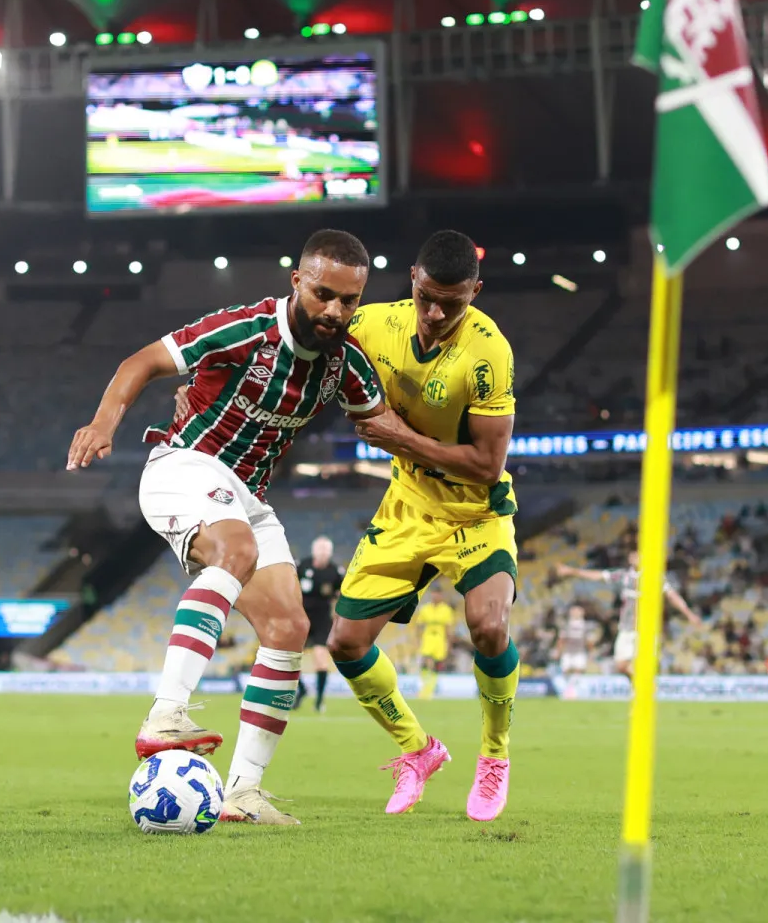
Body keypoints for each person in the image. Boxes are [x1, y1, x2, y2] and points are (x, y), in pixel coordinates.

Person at [71, 229, 389, 827]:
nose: (335, 311)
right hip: (183, 466)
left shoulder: (345, 362)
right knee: (236, 549)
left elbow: (384, 424)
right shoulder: (246, 328)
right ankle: (167, 713)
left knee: (290, 626)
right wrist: (103, 423)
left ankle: (242, 791)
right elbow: (141, 361)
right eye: (324, 294)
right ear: (297, 281)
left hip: (248, 498)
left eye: (349, 301)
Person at [324, 229, 523, 822]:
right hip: (408, 505)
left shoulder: (488, 353)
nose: (437, 314)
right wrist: (204, 388)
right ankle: (419, 751)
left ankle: (494, 756)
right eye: (428, 297)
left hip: (475, 511)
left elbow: (489, 463)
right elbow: (300, 338)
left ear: (475, 293)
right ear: (412, 277)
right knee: (345, 644)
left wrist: (401, 438)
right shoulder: (375, 324)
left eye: (454, 303)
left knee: (489, 627)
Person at [555, 552, 699, 678]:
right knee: (621, 666)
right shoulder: (623, 576)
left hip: (646, 629)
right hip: (626, 627)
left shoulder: (654, 577)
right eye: (633, 555)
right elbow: (597, 575)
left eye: (638, 555)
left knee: (645, 665)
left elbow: (672, 596)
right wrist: (572, 571)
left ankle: (642, 692)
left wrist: (689, 614)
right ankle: (642, 685)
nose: (634, 557)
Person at [295, 535, 342, 712]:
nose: (323, 553)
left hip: (323, 620)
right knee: (291, 660)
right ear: (314, 551)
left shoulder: (336, 571)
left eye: (326, 550)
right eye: (320, 549)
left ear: (329, 553)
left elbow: (342, 593)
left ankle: (319, 701)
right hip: (301, 617)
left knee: (321, 661)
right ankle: (301, 690)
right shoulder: (301, 565)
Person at [412, 587, 457, 699]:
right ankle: (425, 691)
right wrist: (417, 640)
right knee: (427, 661)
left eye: (437, 594)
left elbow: (448, 629)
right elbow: (419, 626)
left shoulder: (446, 610)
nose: (435, 596)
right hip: (428, 639)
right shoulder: (425, 609)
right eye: (433, 593)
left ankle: (429, 690)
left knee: (436, 666)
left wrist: (449, 645)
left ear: (441, 595)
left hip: (440, 640)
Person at [554, 604, 594, 675]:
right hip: (567, 652)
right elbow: (561, 640)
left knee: (578, 672)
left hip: (580, 652)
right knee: (565, 671)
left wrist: (591, 653)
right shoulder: (566, 625)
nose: (576, 613)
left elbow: (589, 641)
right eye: (574, 612)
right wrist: (558, 652)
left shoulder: (585, 626)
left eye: (578, 612)